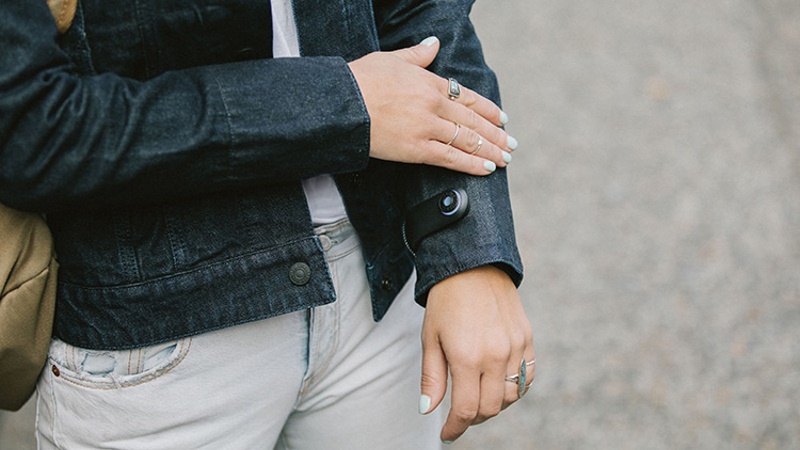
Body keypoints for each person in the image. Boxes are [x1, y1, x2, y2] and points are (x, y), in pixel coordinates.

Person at [0, 0, 534, 448]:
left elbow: (423, 13)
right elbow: (28, 130)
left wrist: (467, 251)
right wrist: (338, 104)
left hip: (376, 287)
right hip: (160, 335)